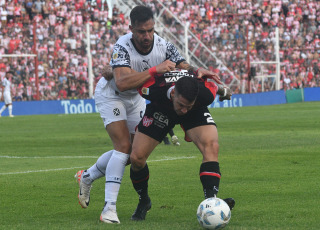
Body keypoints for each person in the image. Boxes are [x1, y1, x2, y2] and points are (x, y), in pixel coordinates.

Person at [75, 5, 222, 224]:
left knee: (133, 155)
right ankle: (109, 208)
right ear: (131, 29)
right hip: (113, 95)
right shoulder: (121, 47)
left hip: (138, 98)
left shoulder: (163, 45)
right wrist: (155, 70)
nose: (147, 36)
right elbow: (123, 83)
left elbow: (182, 65)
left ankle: (88, 176)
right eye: (142, 31)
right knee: (125, 149)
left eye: (150, 30)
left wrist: (195, 70)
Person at [129, 70, 235, 221]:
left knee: (211, 146)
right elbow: (133, 82)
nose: (183, 110)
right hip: (161, 110)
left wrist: (224, 90)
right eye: (181, 105)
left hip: (196, 111)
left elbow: (212, 86)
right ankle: (144, 201)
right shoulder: (152, 89)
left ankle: (211, 202)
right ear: (173, 95)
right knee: (136, 158)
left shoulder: (204, 95)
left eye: (187, 105)